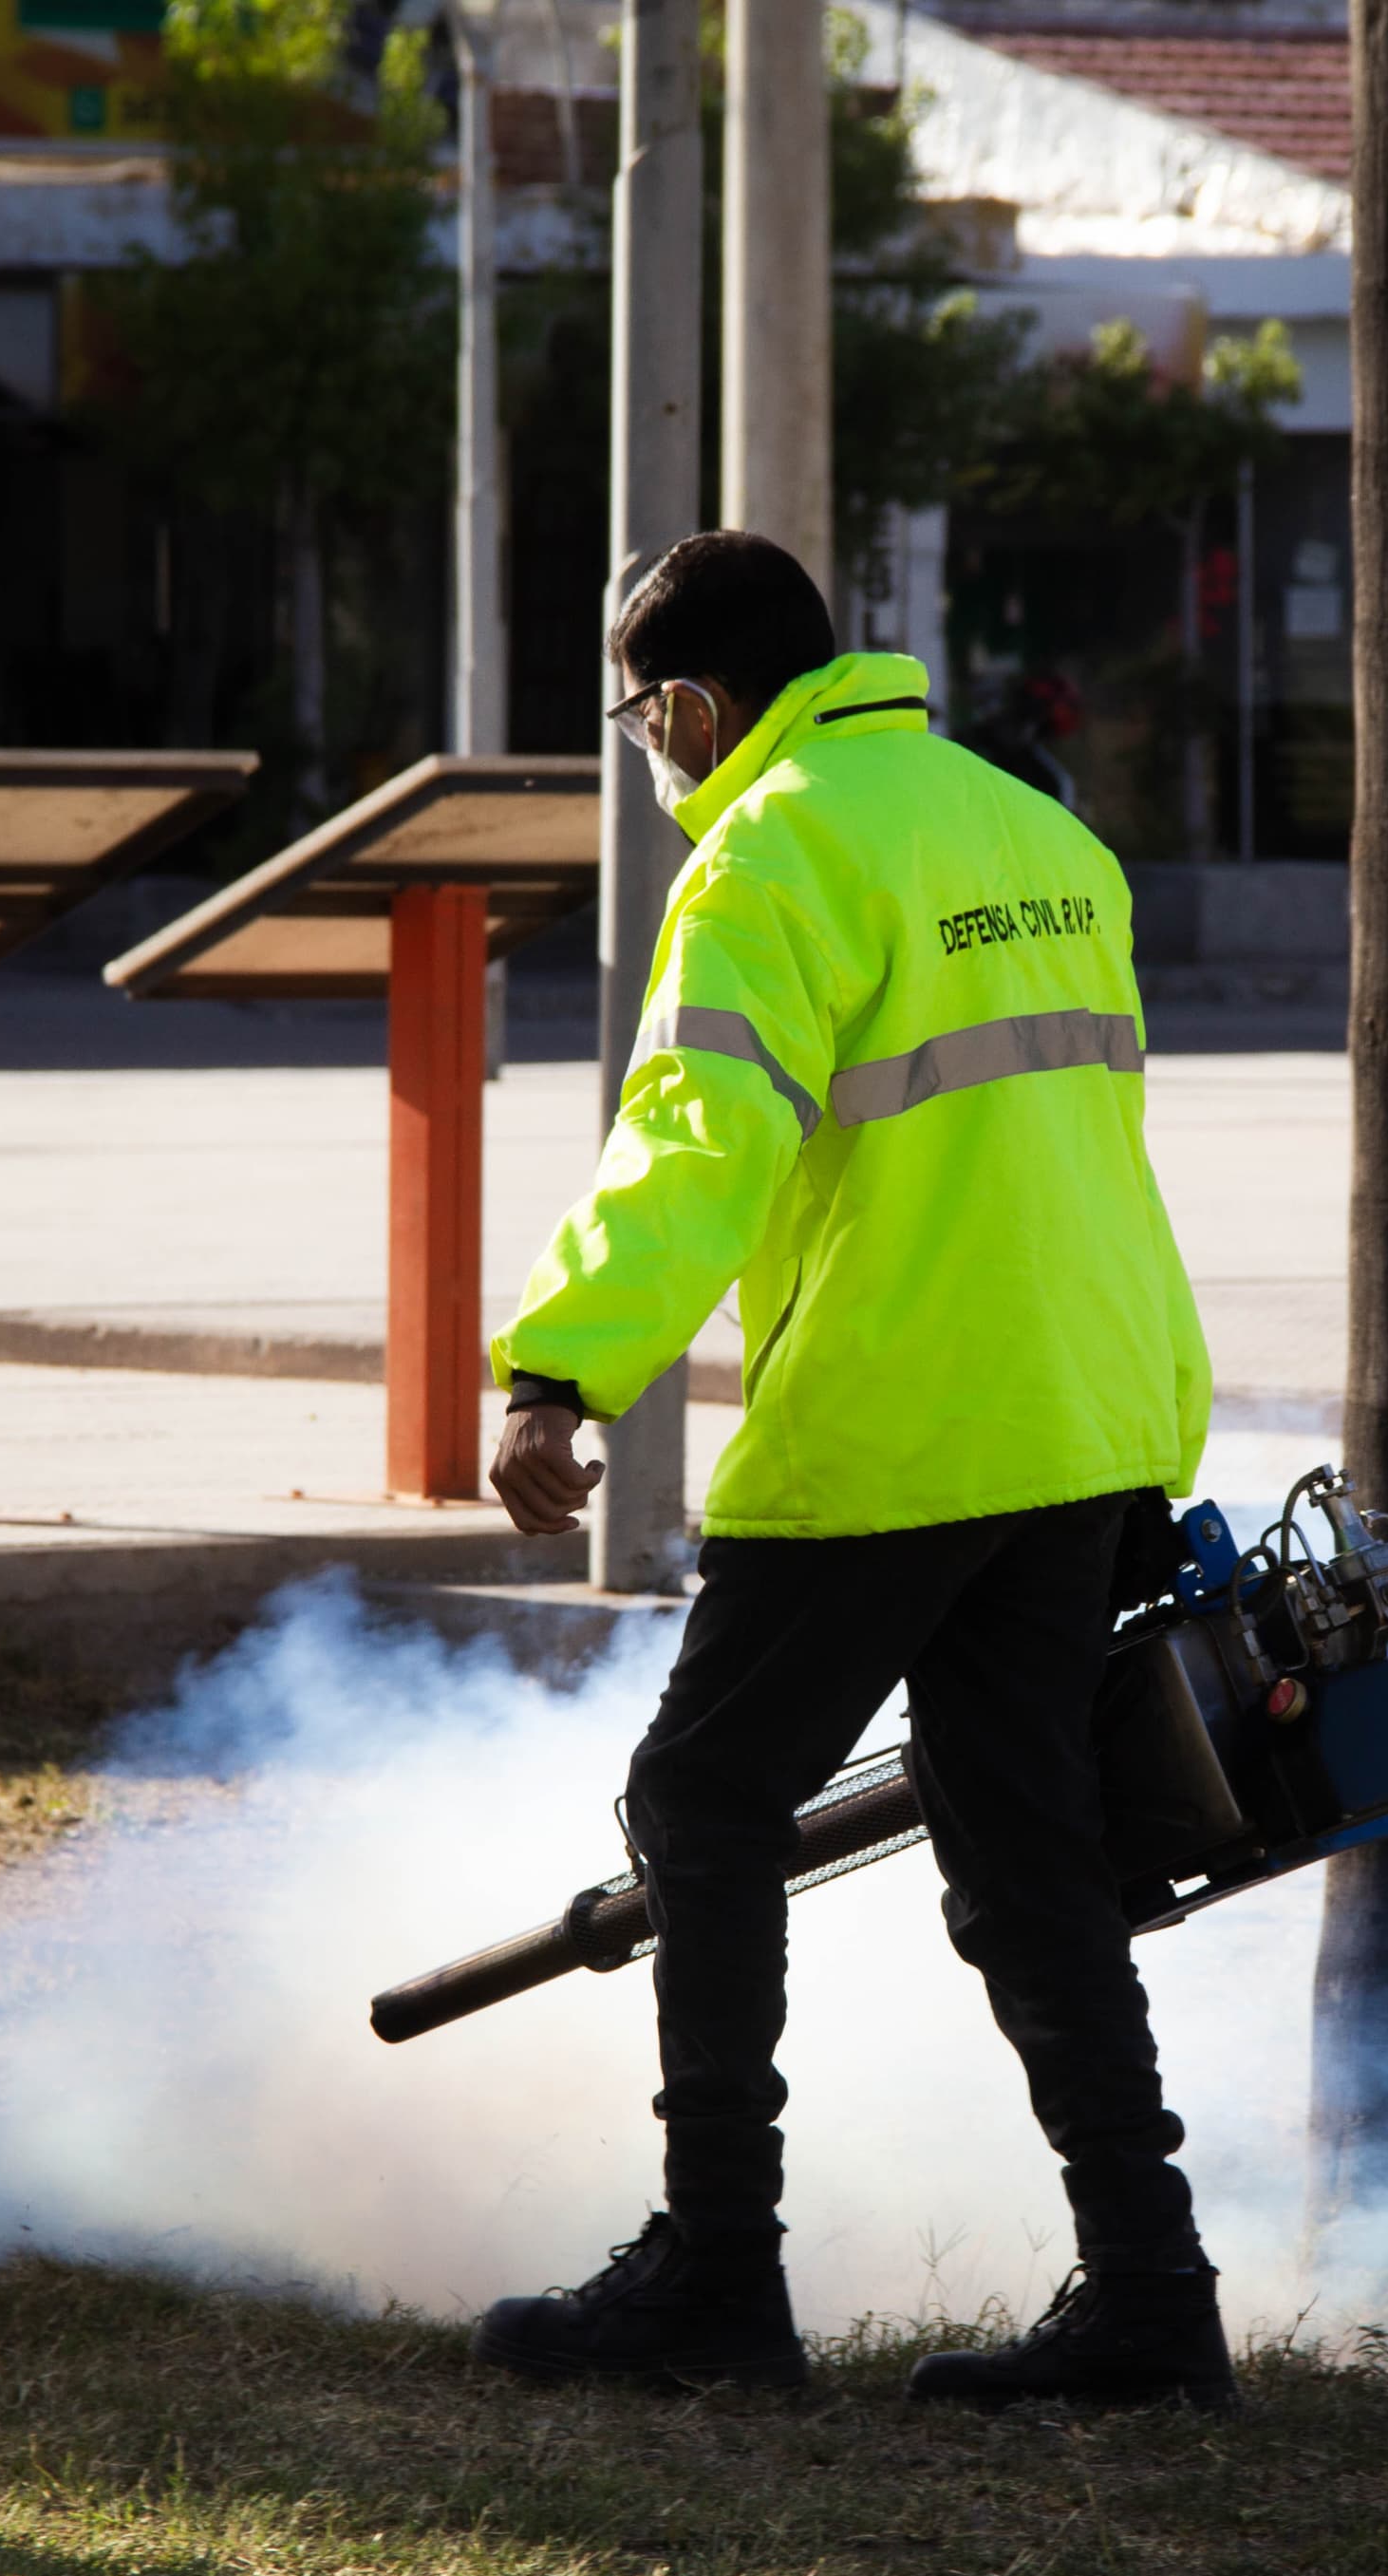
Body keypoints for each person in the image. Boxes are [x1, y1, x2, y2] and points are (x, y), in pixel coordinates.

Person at [474, 531, 1231, 2412]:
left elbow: (691, 1146)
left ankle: (717, 2269)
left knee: (704, 1793)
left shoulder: (771, 845)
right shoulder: (1031, 833)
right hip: (1087, 1412)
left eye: (644, 719)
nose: (652, 757)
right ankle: (1150, 2291)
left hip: (906, 1418)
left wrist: (559, 1371)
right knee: (1023, 1830)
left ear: (693, 705)